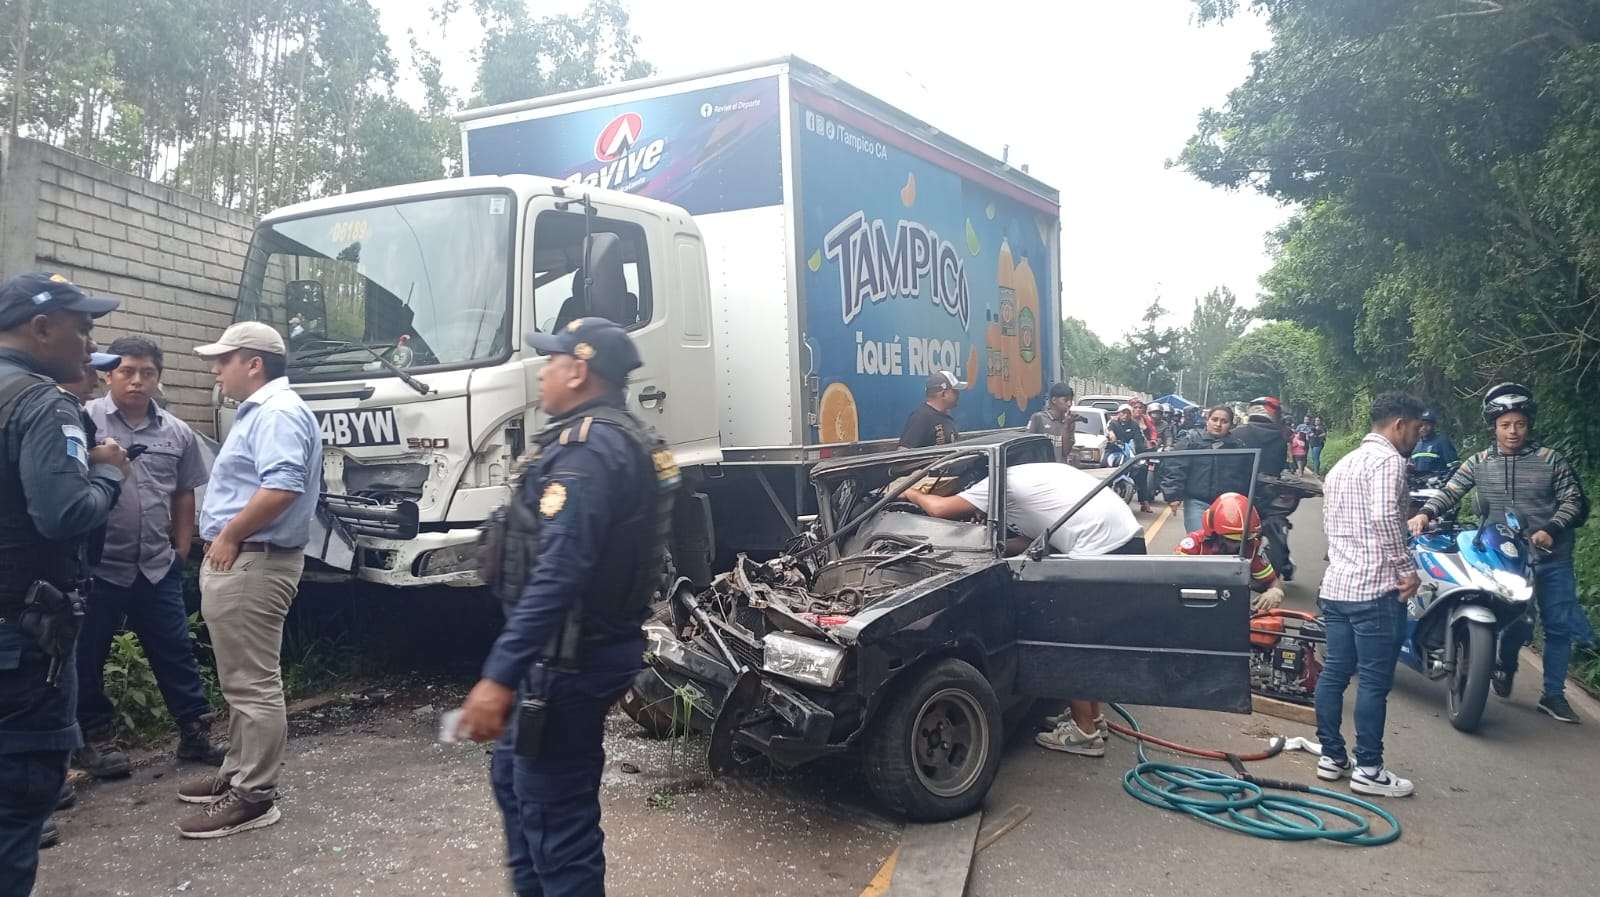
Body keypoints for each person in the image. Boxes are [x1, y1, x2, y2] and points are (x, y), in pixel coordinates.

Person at [456, 318, 678, 897]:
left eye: (551, 362)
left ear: (578, 371)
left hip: (568, 660)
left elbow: (559, 572)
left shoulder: (589, 450)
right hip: (566, 653)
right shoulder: (607, 436)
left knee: (557, 826)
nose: (544, 372)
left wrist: (498, 678)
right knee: (514, 785)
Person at [0, 272, 126, 895]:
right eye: (83, 327)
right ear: (41, 328)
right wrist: (107, 475)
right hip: (22, 642)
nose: (90, 342)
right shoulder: (42, 403)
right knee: (18, 809)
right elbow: (63, 515)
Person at [174, 322, 321, 838]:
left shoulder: (276, 412)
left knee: (253, 684)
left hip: (254, 558)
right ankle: (237, 773)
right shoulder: (262, 411)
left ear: (253, 363)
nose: (216, 370)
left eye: (224, 360)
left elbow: (282, 486)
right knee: (241, 679)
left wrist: (231, 534)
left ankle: (253, 796)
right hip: (250, 558)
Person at [902, 460, 1143, 758]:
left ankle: (1084, 734)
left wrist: (911, 493)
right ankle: (1092, 719)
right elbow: (1033, 539)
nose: (976, 513)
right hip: (1126, 540)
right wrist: (997, 547)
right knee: (1088, 640)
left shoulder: (993, 484)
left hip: (1097, 549)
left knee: (1065, 641)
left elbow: (939, 509)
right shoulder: (1028, 474)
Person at [76, 336, 225, 777]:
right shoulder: (85, 420)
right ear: (109, 375)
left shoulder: (176, 432)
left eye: (147, 373)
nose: (137, 381)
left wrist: (182, 547)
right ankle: (91, 743)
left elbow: (183, 494)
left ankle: (195, 733)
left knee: (175, 649)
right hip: (99, 569)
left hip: (155, 566)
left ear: (159, 377)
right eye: (127, 371)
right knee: (86, 656)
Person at [1408, 383, 1592, 724]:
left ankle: (1553, 695)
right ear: (1493, 426)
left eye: (1519, 424)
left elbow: (1574, 502)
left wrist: (1550, 529)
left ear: (1529, 425)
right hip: (1501, 559)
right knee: (1518, 623)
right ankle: (1503, 665)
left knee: (1557, 626)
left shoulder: (1550, 461)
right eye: (1505, 425)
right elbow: (1451, 492)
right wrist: (1425, 513)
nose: (1512, 431)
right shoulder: (1478, 462)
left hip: (1550, 558)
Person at [1315, 392, 1427, 799]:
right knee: (1375, 684)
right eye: (1416, 429)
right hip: (1376, 591)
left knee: (1334, 673)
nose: (1417, 436)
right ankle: (1369, 768)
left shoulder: (1342, 465)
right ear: (1399, 424)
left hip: (1338, 587)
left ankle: (1331, 757)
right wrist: (1406, 571)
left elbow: (1331, 523)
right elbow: (1383, 517)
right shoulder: (1389, 462)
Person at [1175, 492, 1284, 612]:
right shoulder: (1193, 545)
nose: (1238, 545)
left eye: (1243, 540)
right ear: (1215, 534)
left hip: (1232, 607)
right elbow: (1172, 579)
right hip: (1193, 604)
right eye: (1231, 540)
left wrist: (1275, 591)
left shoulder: (1252, 547)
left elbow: (1271, 580)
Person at [1160, 404, 1251, 532]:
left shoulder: (1239, 448)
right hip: (1197, 502)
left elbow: (1246, 477)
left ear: (1230, 424)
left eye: (1224, 421)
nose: (1218, 424)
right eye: (1215, 419)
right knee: (1200, 542)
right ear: (1207, 420)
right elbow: (1175, 468)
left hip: (1229, 505)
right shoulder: (1191, 441)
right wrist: (1173, 496)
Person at [899, 370, 965, 448]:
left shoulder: (946, 416)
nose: (958, 394)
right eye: (955, 391)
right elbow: (903, 453)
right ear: (944, 394)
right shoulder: (921, 417)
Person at [1107, 405, 1152, 512]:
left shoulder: (1134, 425)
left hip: (1130, 453)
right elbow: (1109, 432)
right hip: (1114, 451)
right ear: (1118, 413)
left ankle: (1144, 501)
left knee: (1142, 469)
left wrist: (1142, 449)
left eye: (1127, 413)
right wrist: (1111, 435)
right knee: (1103, 466)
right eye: (1122, 412)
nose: (1125, 415)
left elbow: (1139, 440)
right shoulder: (1112, 423)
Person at [1236, 396, 1289, 479]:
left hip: (1235, 488)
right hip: (1268, 488)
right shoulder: (1280, 439)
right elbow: (1280, 467)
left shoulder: (1235, 434)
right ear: (1276, 414)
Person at [1026, 381, 1076, 463]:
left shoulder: (1069, 422)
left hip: (1060, 469)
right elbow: (1028, 447)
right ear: (1054, 400)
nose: (1069, 404)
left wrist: (1067, 426)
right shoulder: (1039, 418)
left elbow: (1065, 452)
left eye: (1071, 400)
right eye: (1065, 400)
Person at [1409, 409, 1457, 478]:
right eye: (1421, 425)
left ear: (1433, 425)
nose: (1423, 428)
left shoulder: (1442, 442)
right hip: (1418, 486)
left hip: (1437, 486)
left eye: (1427, 424)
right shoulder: (1414, 444)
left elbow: (1454, 468)